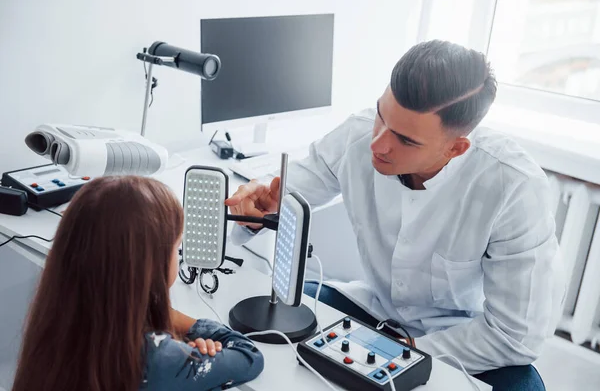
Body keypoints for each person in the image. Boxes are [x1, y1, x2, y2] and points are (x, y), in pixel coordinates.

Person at [225, 40, 565, 390]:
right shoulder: (359, 135)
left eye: (405, 140)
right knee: (275, 320)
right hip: (373, 309)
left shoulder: (515, 188)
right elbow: (290, 190)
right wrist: (261, 208)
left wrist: (400, 354)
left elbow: (514, 336)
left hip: (464, 338)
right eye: (381, 116)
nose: (377, 144)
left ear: (456, 147)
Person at [12, 176, 264, 391]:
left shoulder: (54, 322)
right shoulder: (160, 357)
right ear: (150, 265)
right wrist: (176, 320)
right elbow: (248, 356)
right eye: (177, 248)